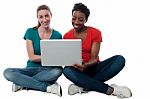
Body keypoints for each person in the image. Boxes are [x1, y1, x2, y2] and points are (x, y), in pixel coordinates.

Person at [63, 2, 132, 98]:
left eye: (80, 19)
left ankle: (83, 86)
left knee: (120, 59)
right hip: (77, 70)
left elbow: (94, 59)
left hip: (93, 67)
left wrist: (85, 65)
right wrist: (73, 64)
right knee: (66, 71)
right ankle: (112, 90)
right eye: (74, 18)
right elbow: (68, 58)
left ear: (86, 20)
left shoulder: (95, 32)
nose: (76, 22)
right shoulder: (66, 36)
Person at [3, 5, 63, 97]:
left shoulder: (58, 35)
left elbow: (58, 58)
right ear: (37, 18)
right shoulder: (30, 32)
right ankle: (46, 87)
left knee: (58, 71)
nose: (44, 19)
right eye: (41, 17)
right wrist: (50, 57)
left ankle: (22, 83)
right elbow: (32, 57)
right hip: (31, 69)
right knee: (7, 72)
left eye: (47, 16)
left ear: (51, 15)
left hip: (48, 70)